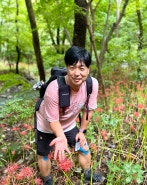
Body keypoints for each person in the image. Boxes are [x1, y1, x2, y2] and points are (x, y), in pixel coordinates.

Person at [35, 46, 104, 185]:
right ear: (67, 68)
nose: (77, 73)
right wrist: (60, 137)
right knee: (44, 154)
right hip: (46, 124)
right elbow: (53, 120)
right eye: (72, 68)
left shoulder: (92, 84)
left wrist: (81, 131)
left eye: (82, 68)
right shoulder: (54, 89)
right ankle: (47, 179)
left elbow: (88, 110)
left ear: (88, 69)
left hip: (69, 124)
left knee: (83, 147)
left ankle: (87, 173)